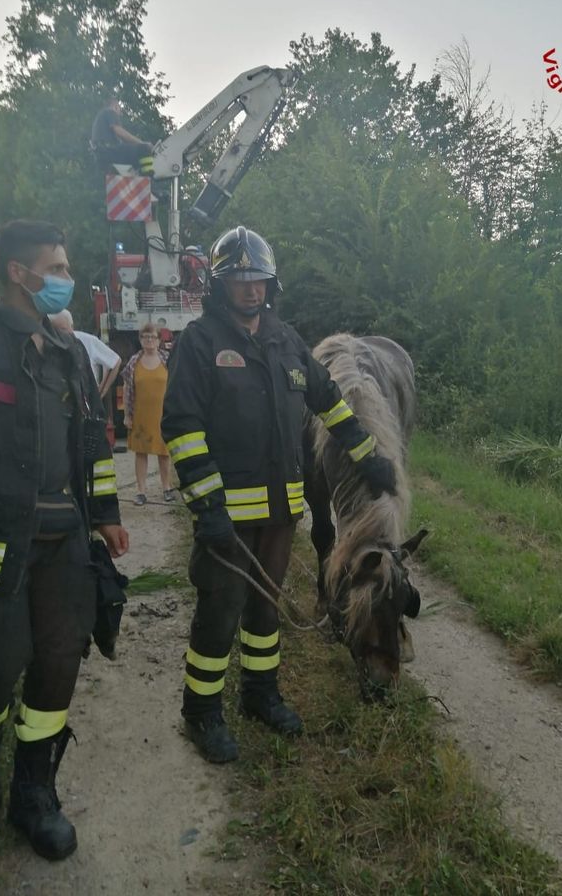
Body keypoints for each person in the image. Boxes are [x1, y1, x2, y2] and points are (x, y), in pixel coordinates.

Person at [161, 226, 397, 764]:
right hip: (226, 516)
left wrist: (369, 458)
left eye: (259, 278)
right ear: (220, 286)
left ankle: (259, 694)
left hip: (280, 511)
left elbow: (330, 404)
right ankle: (201, 711)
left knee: (265, 611)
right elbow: (181, 426)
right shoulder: (200, 343)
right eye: (240, 279)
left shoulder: (286, 340)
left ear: (272, 283)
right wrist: (207, 506)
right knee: (220, 613)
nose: (251, 288)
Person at [0, 220, 129, 860]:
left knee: (58, 662)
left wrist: (105, 513)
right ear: (20, 274)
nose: (67, 280)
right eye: (59, 268)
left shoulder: (69, 352)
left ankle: (33, 792)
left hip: (64, 542)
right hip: (0, 543)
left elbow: (93, 444)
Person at [121, 323, 175, 504]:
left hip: (163, 415)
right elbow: (127, 387)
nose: (149, 340)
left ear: (159, 340)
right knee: (140, 453)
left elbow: (176, 385)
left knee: (164, 453)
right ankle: (141, 491)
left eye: (153, 337)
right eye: (145, 337)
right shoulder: (134, 362)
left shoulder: (168, 359)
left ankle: (167, 488)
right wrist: (127, 415)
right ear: (140, 340)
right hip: (140, 415)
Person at [50, 309, 122, 400]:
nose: (59, 334)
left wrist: (102, 391)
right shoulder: (46, 345)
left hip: (86, 400)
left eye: (63, 329)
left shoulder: (87, 340)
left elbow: (115, 361)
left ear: (71, 326)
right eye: (55, 329)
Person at [90, 96, 154, 175]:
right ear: (115, 106)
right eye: (119, 108)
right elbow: (120, 132)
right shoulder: (110, 112)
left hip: (101, 155)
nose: (120, 112)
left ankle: (136, 174)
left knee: (133, 158)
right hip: (110, 150)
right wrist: (141, 143)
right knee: (144, 149)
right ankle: (148, 176)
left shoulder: (100, 118)